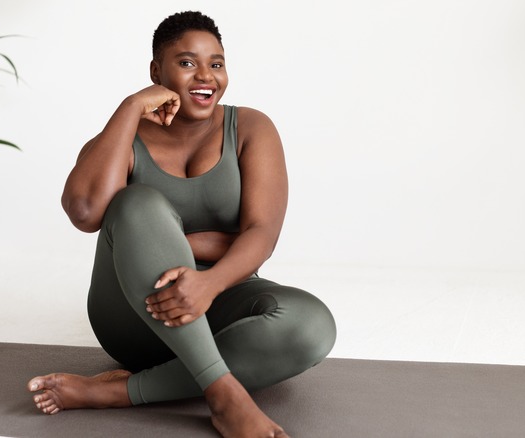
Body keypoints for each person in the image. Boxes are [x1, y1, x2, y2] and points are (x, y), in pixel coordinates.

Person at [27, 11, 336, 438]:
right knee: (137, 203)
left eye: (217, 63)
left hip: (219, 298)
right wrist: (131, 107)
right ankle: (224, 396)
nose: (205, 75)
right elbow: (84, 212)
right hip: (136, 315)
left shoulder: (250, 127)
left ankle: (115, 392)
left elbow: (262, 235)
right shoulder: (126, 138)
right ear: (156, 71)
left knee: (311, 325)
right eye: (188, 63)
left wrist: (206, 282)